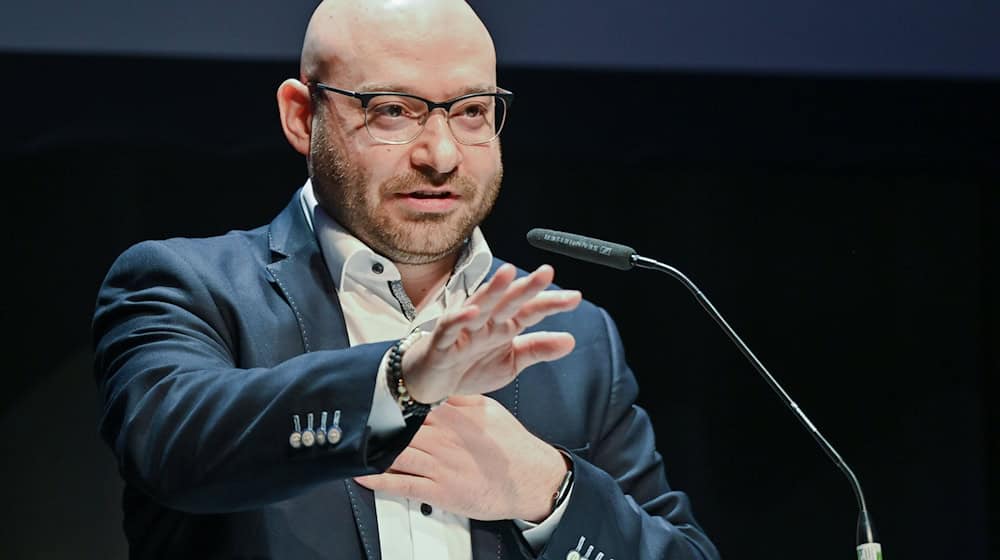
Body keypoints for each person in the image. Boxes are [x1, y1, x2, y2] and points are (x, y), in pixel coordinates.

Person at [92, 0, 719, 558]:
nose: (441, 155)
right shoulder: (189, 287)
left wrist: (546, 490)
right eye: (393, 110)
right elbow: (173, 452)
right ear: (300, 114)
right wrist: (400, 381)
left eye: (472, 111)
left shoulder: (572, 335)